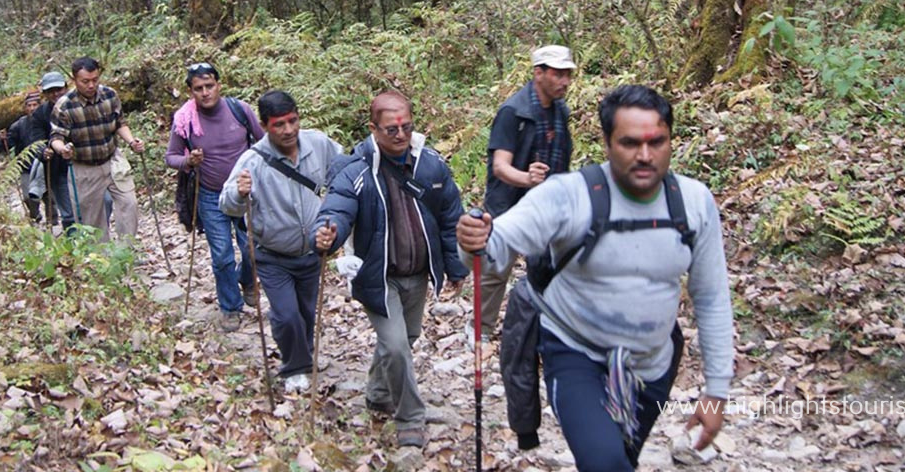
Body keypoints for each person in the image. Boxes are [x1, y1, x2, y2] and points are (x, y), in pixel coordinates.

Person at [457, 85, 734, 472]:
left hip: (653, 366)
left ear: (672, 140)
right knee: (604, 462)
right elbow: (497, 244)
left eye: (657, 142)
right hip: (575, 354)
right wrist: (473, 239)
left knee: (622, 459)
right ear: (606, 142)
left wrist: (716, 393)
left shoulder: (694, 202)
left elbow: (711, 297)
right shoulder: (568, 196)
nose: (644, 155)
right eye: (630, 143)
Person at [314, 91, 469, 448]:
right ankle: (409, 418)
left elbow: (449, 217)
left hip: (418, 273)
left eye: (406, 127)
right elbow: (337, 207)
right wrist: (328, 233)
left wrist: (456, 266)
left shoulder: (430, 164)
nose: (400, 135)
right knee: (397, 345)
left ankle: (378, 392)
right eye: (391, 129)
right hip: (378, 277)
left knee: (406, 339)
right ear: (373, 129)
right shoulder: (354, 170)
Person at [219, 91, 342, 388]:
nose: (288, 130)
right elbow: (226, 203)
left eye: (292, 121)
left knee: (305, 312)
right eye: (279, 125)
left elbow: (343, 172)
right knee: (286, 316)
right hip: (271, 254)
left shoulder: (318, 143)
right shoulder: (253, 160)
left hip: (313, 252)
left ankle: (303, 353)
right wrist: (240, 192)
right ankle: (294, 367)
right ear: (264, 125)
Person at [478, 44, 575, 337]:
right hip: (508, 205)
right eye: (558, 74)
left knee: (549, 267)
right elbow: (500, 167)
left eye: (568, 74)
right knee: (495, 270)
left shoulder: (560, 111)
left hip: (548, 208)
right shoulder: (512, 112)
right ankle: (480, 331)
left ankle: (546, 329)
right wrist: (527, 178)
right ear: (538, 73)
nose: (565, 82)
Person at [165, 62, 263, 329]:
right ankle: (230, 307)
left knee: (252, 249)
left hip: (244, 193)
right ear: (191, 91)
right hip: (210, 195)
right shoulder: (185, 120)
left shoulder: (239, 111)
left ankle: (246, 279)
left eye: (210, 86)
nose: (205, 92)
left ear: (219, 85)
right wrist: (189, 161)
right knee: (221, 255)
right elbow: (170, 157)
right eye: (199, 88)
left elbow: (263, 142)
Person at [49, 57, 144, 243]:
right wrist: (63, 149)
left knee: (129, 204)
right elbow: (56, 138)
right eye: (85, 81)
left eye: (95, 80)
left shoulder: (109, 95)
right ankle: (102, 260)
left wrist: (132, 141)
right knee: (92, 220)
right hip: (84, 168)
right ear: (74, 80)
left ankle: (126, 250)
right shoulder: (64, 105)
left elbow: (120, 123)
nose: (91, 85)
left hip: (112, 160)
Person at [28, 72, 74, 230]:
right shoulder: (40, 115)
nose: (56, 94)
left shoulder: (77, 105)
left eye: (59, 89)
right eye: (51, 91)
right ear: (45, 94)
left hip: (83, 164)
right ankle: (74, 245)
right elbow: (37, 142)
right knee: (68, 213)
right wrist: (44, 152)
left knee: (90, 206)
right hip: (57, 168)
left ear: (66, 88)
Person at [2, 91, 44, 223]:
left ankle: (53, 223)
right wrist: (3, 140)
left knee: (50, 197)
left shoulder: (47, 121)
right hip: (26, 167)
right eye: (29, 105)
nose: (32, 108)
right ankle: (35, 214)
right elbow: (8, 144)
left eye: (35, 105)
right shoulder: (19, 125)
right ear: (25, 108)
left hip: (45, 165)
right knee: (27, 196)